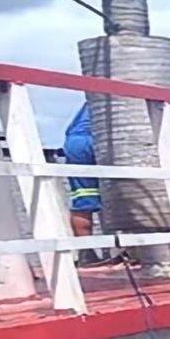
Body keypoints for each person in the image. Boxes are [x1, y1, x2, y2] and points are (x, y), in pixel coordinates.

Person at [62, 103, 105, 266]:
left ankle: (86, 254)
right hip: (94, 140)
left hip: (75, 142)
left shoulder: (95, 101)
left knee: (83, 197)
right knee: (121, 193)